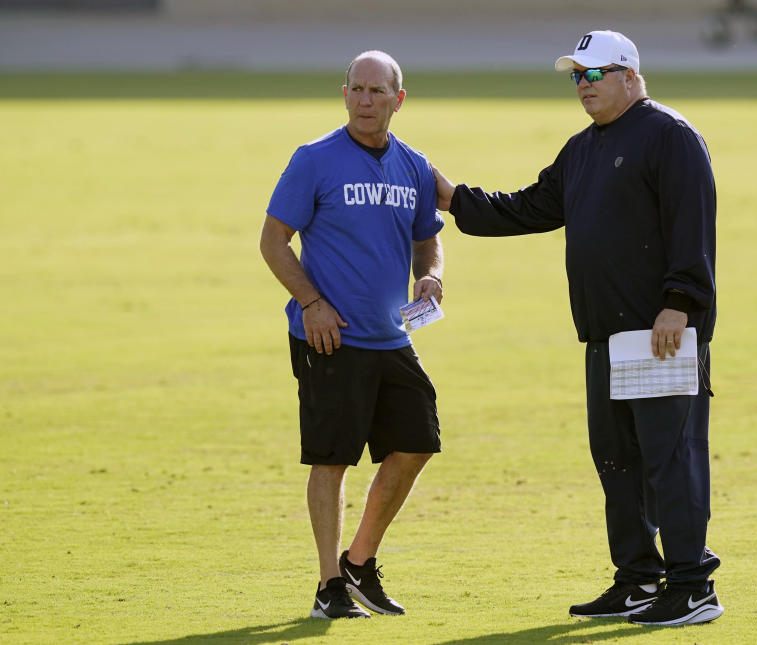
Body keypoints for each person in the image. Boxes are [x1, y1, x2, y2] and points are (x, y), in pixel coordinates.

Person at [433, 30, 722, 627]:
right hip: (605, 337)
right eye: (576, 76)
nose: (583, 85)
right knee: (617, 460)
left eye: (594, 73)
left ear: (629, 76)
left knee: (672, 461)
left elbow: (693, 224)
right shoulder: (583, 149)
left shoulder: (671, 136)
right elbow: (529, 207)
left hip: (660, 333)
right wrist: (454, 198)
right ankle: (639, 580)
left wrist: (680, 303)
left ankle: (693, 587)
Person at [260, 50, 444, 620]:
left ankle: (360, 563)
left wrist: (431, 274)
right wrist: (310, 302)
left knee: (417, 441)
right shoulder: (314, 159)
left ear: (398, 99)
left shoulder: (413, 166)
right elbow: (273, 241)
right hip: (330, 338)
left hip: (393, 336)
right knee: (332, 459)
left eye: (377, 91)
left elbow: (427, 237)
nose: (365, 100)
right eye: (356, 89)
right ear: (345, 94)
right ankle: (329, 585)